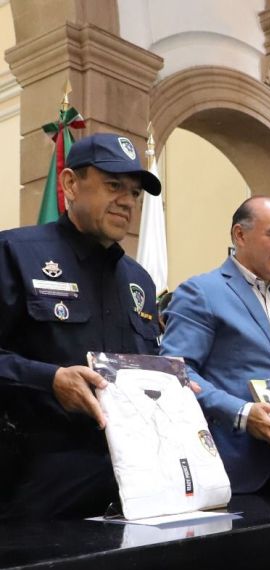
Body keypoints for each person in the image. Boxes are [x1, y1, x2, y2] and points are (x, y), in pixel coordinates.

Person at [0, 132, 162, 519]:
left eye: (135, 192)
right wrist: (49, 380)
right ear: (71, 184)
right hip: (38, 484)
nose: (128, 201)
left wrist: (170, 385)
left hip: (130, 485)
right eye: (113, 185)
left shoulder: (139, 281)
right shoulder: (14, 253)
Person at [161, 196, 270, 494]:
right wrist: (241, 413)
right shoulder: (202, 292)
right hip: (231, 467)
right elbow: (177, 371)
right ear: (240, 235)